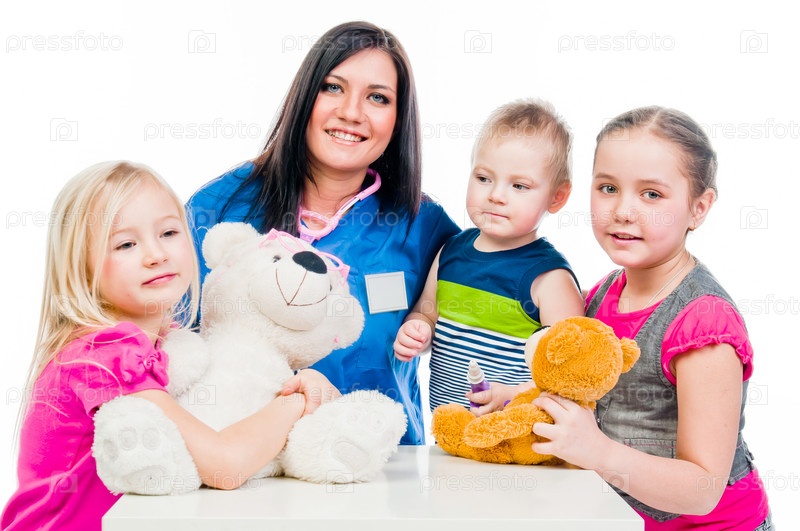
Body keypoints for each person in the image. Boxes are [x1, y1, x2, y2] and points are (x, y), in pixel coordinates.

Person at [1, 161, 331, 531]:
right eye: (126, 244)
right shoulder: (104, 355)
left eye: (169, 232)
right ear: (82, 267)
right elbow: (224, 465)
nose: (156, 254)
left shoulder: (167, 343)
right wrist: (297, 401)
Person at [185, 21, 460, 445]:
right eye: (333, 87)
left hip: (380, 467)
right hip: (235, 464)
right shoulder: (218, 207)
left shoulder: (423, 226)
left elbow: (500, 310)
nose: (351, 112)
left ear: (398, 118)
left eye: (378, 97)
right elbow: (159, 341)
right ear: (305, 96)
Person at [530, 107, 772, 530]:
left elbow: (703, 489)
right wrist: (519, 395)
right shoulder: (602, 293)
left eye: (652, 195)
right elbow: (588, 391)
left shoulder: (704, 323)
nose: (623, 211)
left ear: (699, 208)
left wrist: (598, 452)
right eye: (608, 188)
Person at [393, 99, 584, 414]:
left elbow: (569, 373)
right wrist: (418, 330)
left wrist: (512, 395)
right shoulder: (450, 252)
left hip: (514, 436)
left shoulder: (549, 279)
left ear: (557, 197)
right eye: (483, 178)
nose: (495, 195)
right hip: (448, 431)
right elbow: (426, 312)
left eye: (519, 186)